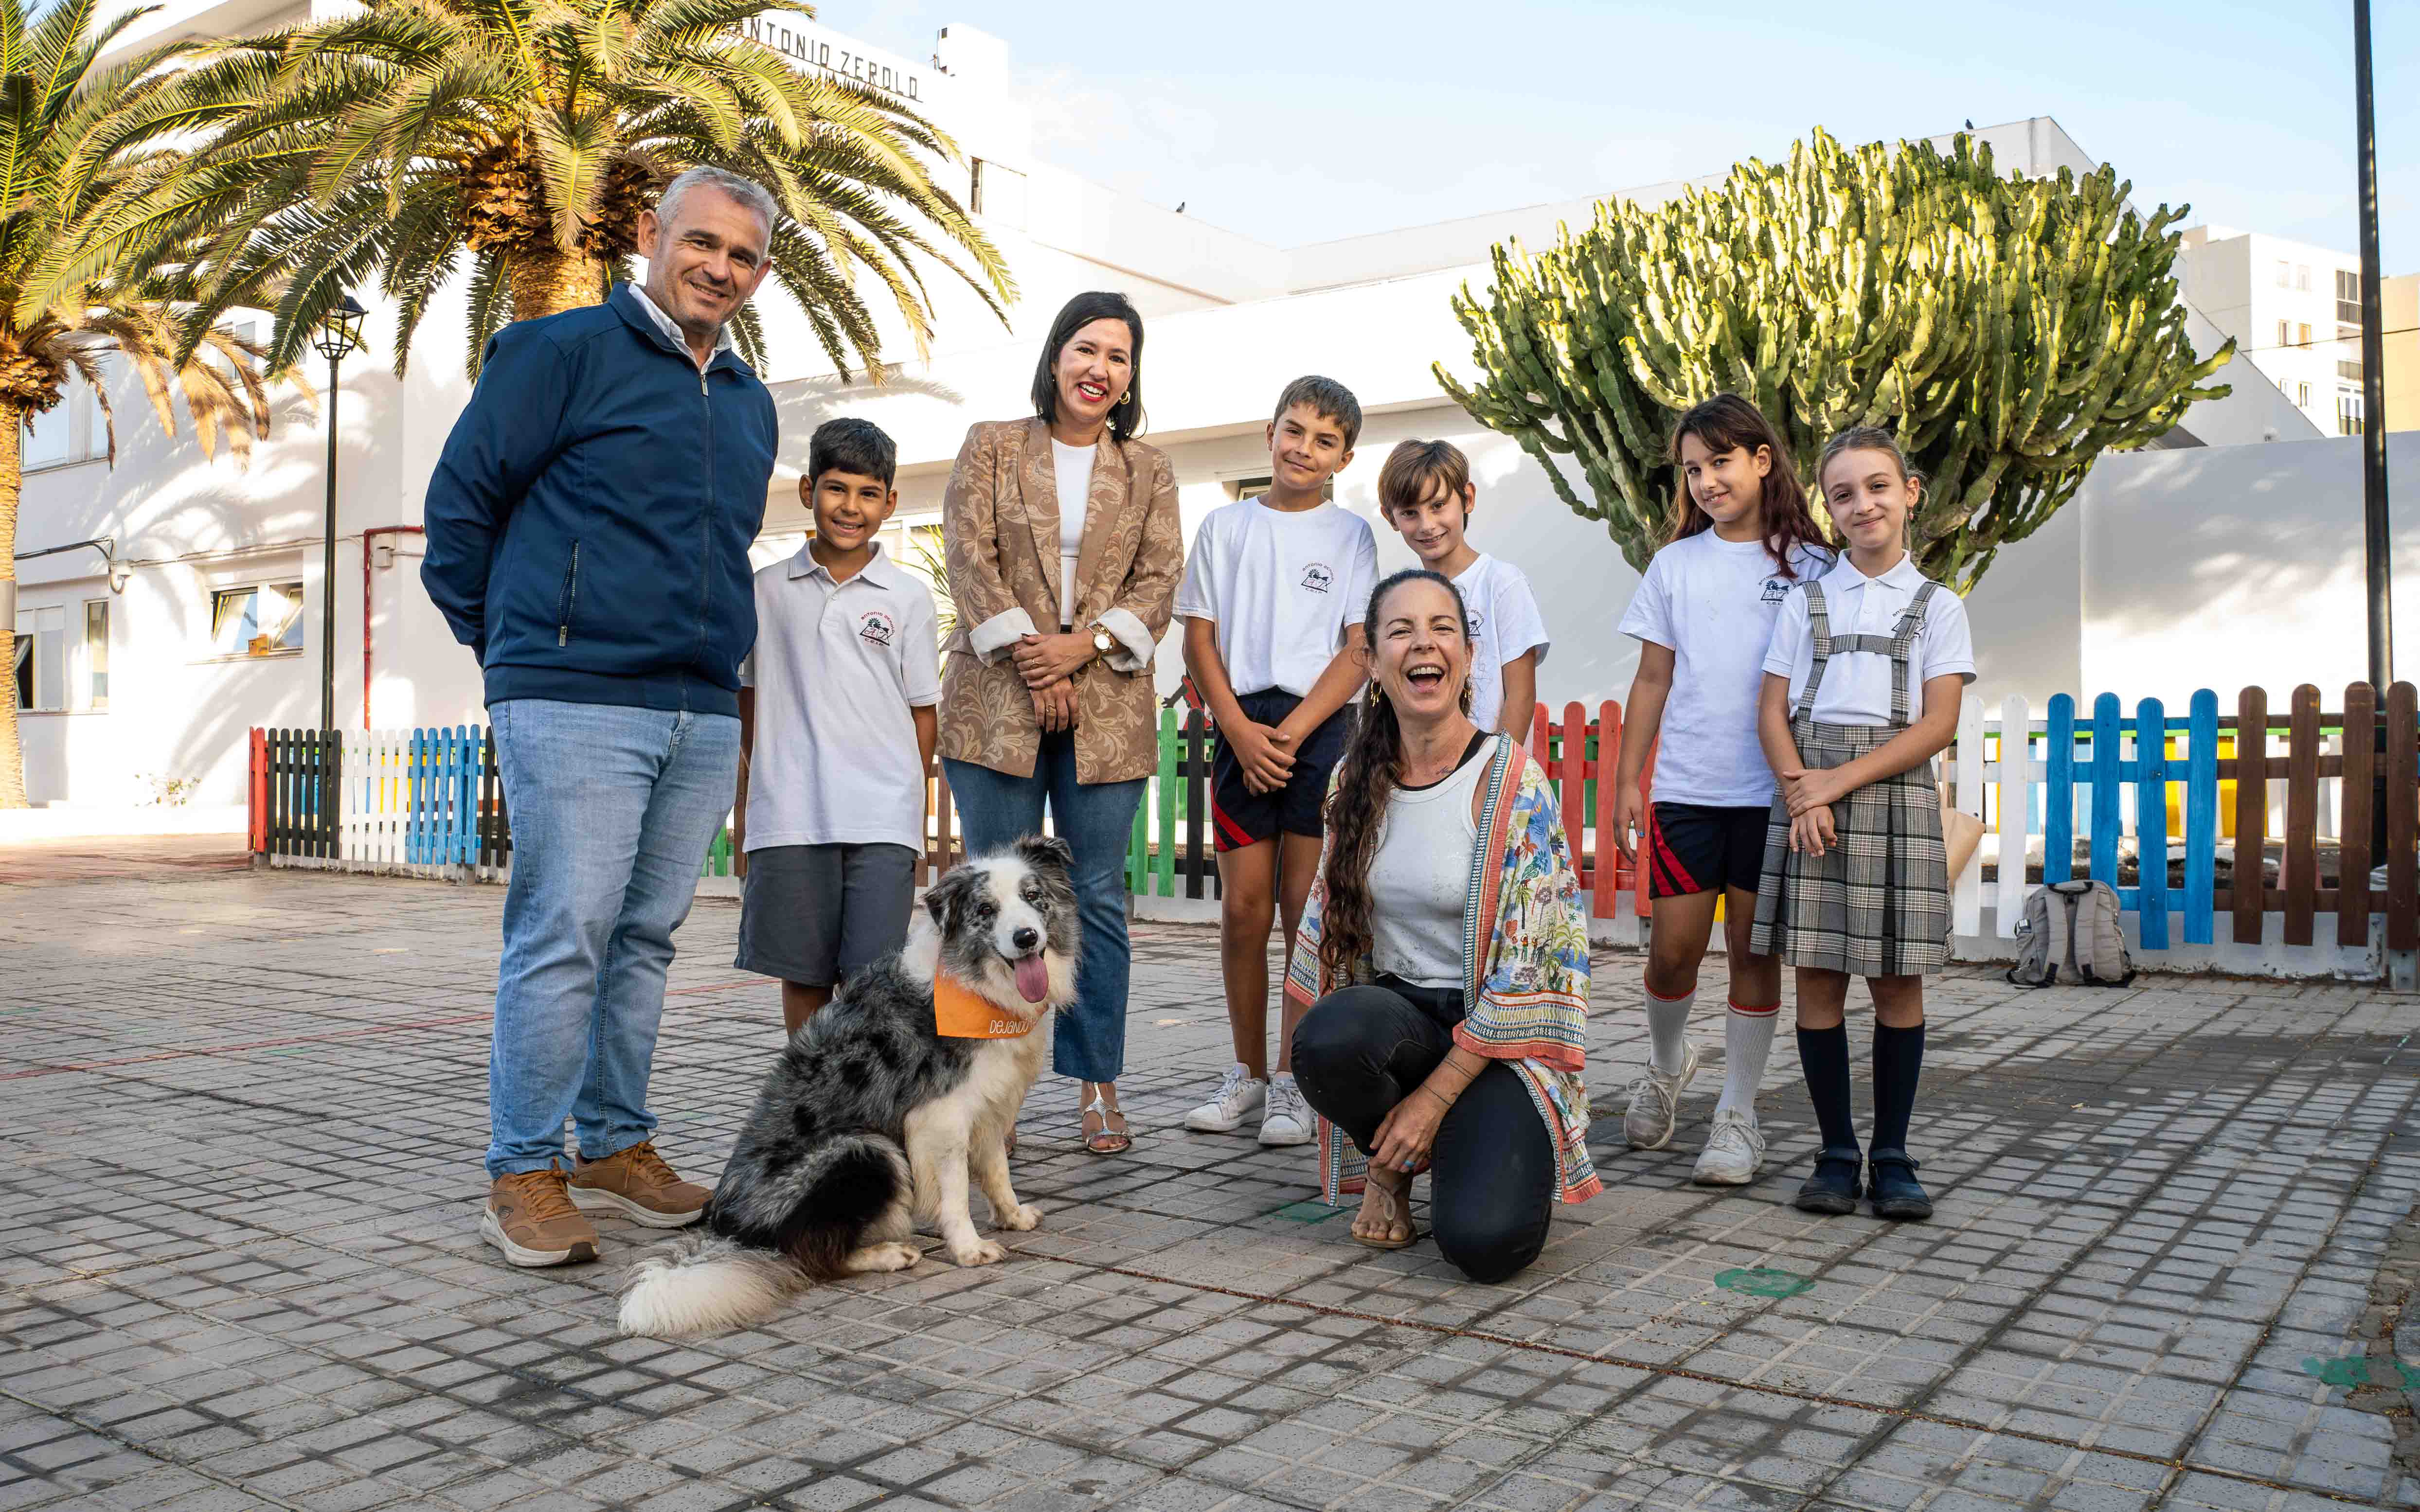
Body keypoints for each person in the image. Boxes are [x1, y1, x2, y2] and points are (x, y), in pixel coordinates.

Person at [422, 166, 780, 1267]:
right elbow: (460, 510)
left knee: (641, 939)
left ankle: (613, 1146)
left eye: (744, 256)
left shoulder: (750, 401)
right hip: (572, 697)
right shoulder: (559, 353)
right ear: (648, 233)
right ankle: (522, 1166)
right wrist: (522, 654)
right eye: (702, 242)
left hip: (696, 708)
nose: (719, 267)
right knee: (564, 933)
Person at [1285, 569, 1598, 1282]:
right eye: (1399, 630)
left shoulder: (1510, 780)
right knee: (1326, 1039)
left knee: (1485, 1247)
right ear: (1370, 662)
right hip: (1399, 1022)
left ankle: (1450, 1135)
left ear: (1465, 655)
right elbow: (1327, 949)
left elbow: (1534, 969)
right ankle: (1390, 1167)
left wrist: (1434, 1098)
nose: (1421, 644)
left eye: (1440, 628)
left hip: (1497, 1043)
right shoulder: (1350, 781)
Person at [937, 291, 1183, 1156]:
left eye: (1117, 356)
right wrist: (1034, 655)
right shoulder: (993, 445)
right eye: (1086, 348)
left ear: (1129, 376)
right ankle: (976, 1090)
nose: (1099, 369)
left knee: (1098, 899)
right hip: (998, 699)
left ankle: (1097, 1085)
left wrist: (1080, 649)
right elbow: (968, 555)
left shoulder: (1149, 470)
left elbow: (1160, 581)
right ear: (1054, 357)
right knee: (986, 895)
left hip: (1106, 706)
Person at [1753, 425, 1974, 1222]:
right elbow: (1772, 709)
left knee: (1895, 980)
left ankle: (1895, 1156)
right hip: (1811, 790)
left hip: (1889, 790)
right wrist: (1801, 791)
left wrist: (1831, 785)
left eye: (1877, 485)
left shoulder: (1939, 605)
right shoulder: (1807, 600)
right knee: (1817, 975)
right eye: (1843, 492)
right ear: (1830, 506)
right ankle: (1836, 1154)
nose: (1862, 503)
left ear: (1909, 490)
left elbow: (1938, 721)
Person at [1611, 396, 1832, 1186]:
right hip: (1687, 789)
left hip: (1774, 794)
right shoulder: (1674, 565)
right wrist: (1628, 782)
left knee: (1752, 949)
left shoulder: (1813, 565)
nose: (1706, 480)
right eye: (1693, 469)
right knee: (1673, 951)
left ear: (1762, 459)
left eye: (1721, 462)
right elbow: (1651, 677)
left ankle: (1737, 1116)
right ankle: (1668, 1064)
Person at [1177, 376, 1380, 1147]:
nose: (1303, 448)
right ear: (1269, 432)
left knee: (1305, 914)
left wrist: (1289, 736)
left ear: (1344, 457)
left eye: (1323, 440)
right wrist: (1237, 730)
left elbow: (1356, 649)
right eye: (1293, 431)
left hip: (1316, 728)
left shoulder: (1351, 535)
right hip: (1238, 725)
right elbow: (1198, 639)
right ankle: (1246, 1076)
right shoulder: (1224, 527)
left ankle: (1297, 1083)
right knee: (1242, 911)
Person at [733, 418, 940, 1036]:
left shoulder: (908, 597)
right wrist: (774, 776)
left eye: (868, 493)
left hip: (880, 818)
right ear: (807, 490)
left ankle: (866, 1115)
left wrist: (904, 799)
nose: (851, 507)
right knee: (803, 973)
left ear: (890, 503)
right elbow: (748, 699)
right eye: (836, 488)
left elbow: (922, 713)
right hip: (792, 815)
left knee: (875, 979)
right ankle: (811, 1111)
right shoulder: (765, 591)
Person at [1375, 439, 1548, 745]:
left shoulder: (1502, 583)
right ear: (1391, 517)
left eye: (1438, 506)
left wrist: (1496, 772)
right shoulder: (1398, 597)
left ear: (1467, 498)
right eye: (1410, 513)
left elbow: (1521, 695)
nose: (1427, 525)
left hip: (1488, 770)